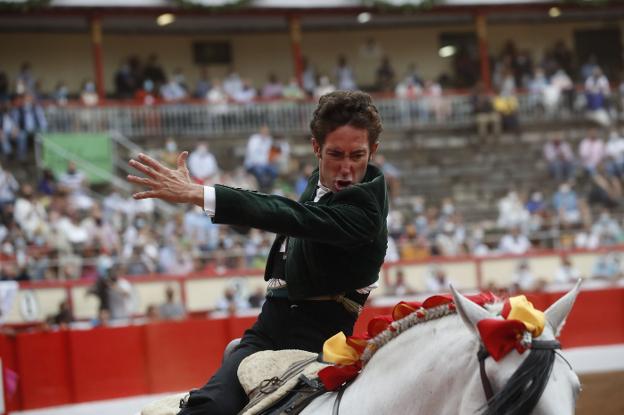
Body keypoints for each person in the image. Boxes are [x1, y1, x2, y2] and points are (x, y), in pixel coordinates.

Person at [128, 90, 388, 415]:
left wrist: (199, 193)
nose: (346, 169)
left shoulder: (364, 212)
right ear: (316, 148)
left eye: (357, 156)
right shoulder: (319, 185)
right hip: (264, 332)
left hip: (319, 344)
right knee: (206, 409)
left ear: (373, 151)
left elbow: (287, 214)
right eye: (336, 154)